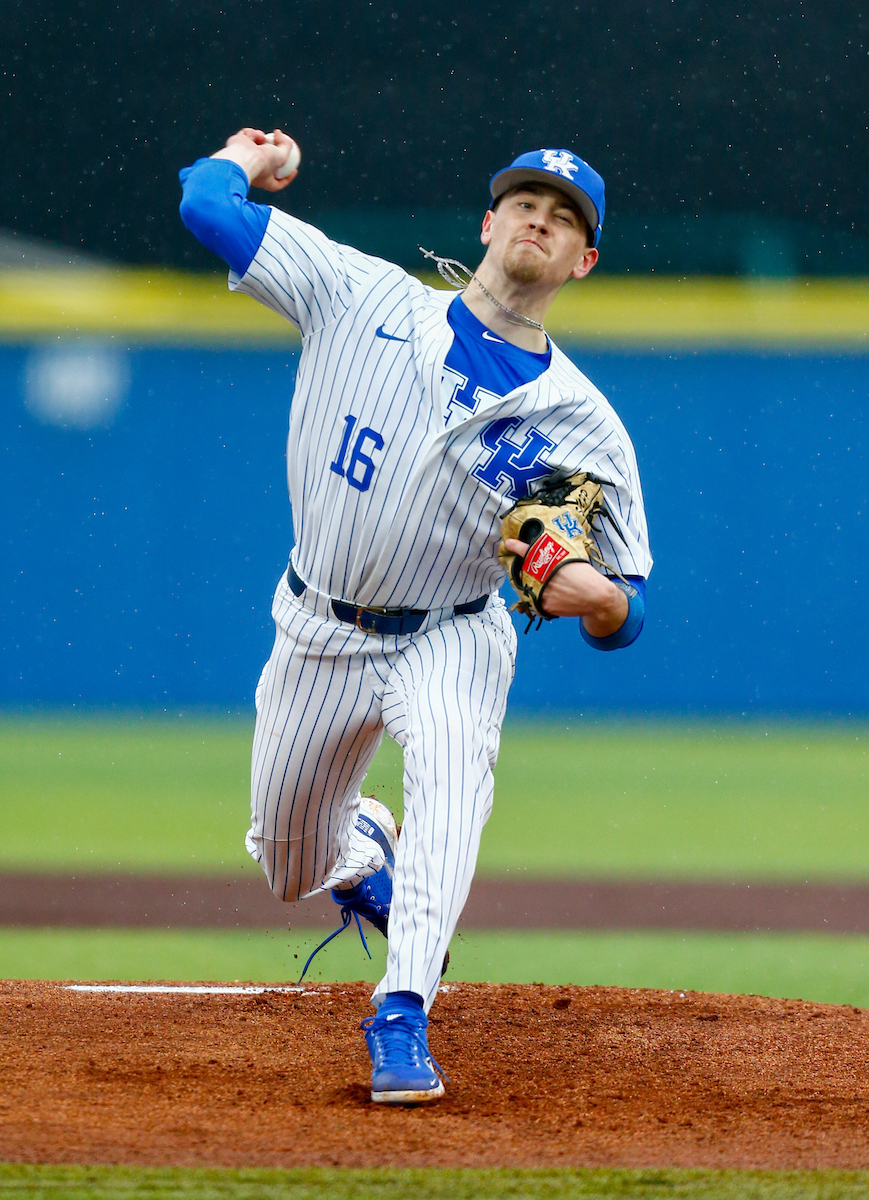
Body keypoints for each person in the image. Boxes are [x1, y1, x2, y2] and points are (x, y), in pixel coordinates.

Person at [179, 130, 652, 1105]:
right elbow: (204, 209)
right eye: (525, 202)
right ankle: (358, 854)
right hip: (317, 628)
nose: (539, 219)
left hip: (452, 631)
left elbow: (627, 606)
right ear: (487, 222)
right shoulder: (362, 294)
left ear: (582, 260)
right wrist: (239, 158)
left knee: (451, 779)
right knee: (285, 863)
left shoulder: (584, 423)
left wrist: (600, 601)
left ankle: (401, 1015)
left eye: (564, 217)